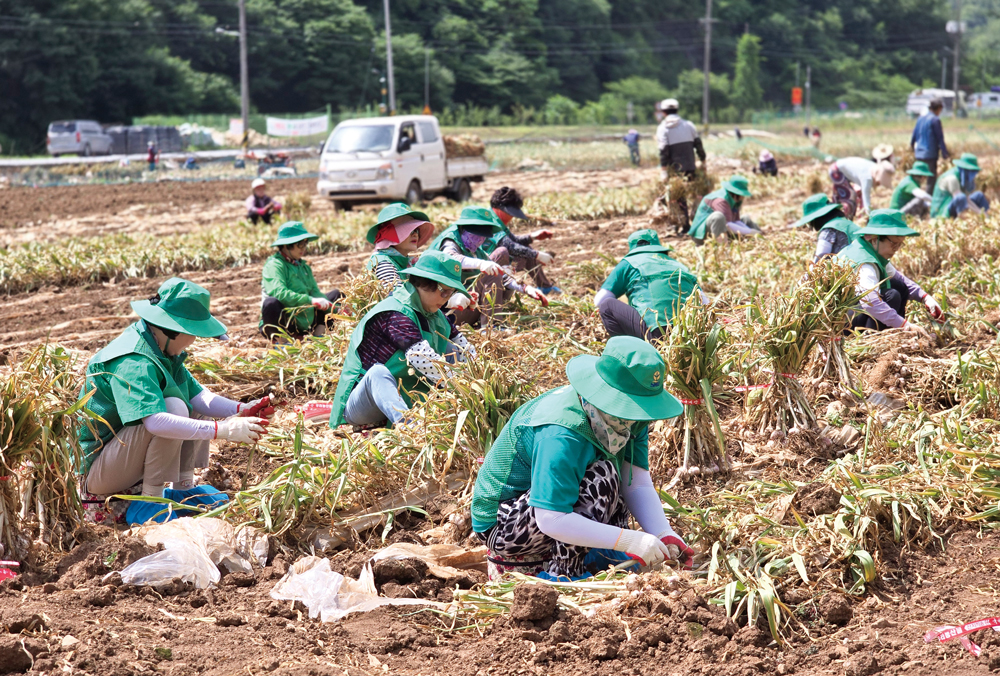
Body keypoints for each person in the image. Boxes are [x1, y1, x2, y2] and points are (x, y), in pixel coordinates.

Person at [471, 336, 694, 581]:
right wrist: (630, 540)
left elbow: (635, 482)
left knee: (613, 475)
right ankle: (564, 573)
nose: (638, 418)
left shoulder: (628, 419)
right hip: (506, 522)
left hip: (549, 509)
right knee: (603, 478)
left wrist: (663, 532)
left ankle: (595, 553)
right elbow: (551, 517)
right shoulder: (562, 433)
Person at [78, 278, 273, 526]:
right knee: (175, 409)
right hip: (100, 477)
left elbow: (199, 397)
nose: (193, 341)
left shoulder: (160, 348)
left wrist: (240, 409)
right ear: (171, 330)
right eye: (191, 334)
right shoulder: (134, 360)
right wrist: (223, 430)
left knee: (187, 406)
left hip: (123, 464)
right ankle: (152, 503)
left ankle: (182, 490)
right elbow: (156, 423)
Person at [328, 251, 476, 430]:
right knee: (377, 373)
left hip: (404, 394)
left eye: (450, 293)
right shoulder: (396, 313)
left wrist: (479, 379)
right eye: (443, 292)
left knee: (452, 353)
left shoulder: (434, 314)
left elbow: (462, 346)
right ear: (424, 284)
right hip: (364, 404)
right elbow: (422, 358)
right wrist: (463, 389)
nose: (446, 299)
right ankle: (409, 428)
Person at [431, 206, 548, 328]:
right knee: (491, 275)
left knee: (497, 275)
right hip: (446, 314)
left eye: (483, 237)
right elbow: (451, 258)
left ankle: (491, 321)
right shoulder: (450, 241)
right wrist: (481, 264)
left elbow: (502, 276)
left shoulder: (477, 252)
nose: (480, 240)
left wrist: (525, 289)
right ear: (463, 229)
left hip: (466, 306)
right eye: (476, 235)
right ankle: (492, 327)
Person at [835, 209, 942, 336]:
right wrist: (905, 325)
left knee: (898, 285)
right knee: (892, 295)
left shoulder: (867, 249)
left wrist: (925, 298)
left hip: (849, 312)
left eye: (900, 245)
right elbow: (870, 303)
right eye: (894, 244)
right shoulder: (865, 264)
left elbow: (899, 278)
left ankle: (894, 332)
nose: (896, 249)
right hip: (842, 322)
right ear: (874, 238)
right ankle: (871, 338)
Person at [594, 229, 701, 342]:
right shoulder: (679, 265)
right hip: (693, 337)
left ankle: (632, 352)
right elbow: (705, 302)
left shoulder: (629, 263)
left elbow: (599, 300)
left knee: (607, 306)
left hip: (657, 336)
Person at [260, 222, 343, 341]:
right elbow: (279, 293)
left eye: (305, 244)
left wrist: (337, 309)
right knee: (271, 303)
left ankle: (317, 338)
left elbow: (315, 293)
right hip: (287, 320)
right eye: (300, 245)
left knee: (336, 296)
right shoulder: (274, 265)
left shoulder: (303, 266)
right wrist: (310, 300)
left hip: (306, 317)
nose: (303, 248)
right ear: (287, 246)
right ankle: (282, 344)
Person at [489, 187, 560, 295]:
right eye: (510, 213)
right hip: (486, 265)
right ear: (500, 208)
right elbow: (509, 246)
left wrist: (532, 237)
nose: (511, 217)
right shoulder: (491, 222)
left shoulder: (495, 219)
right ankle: (542, 287)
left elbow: (513, 240)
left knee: (526, 249)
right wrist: (537, 255)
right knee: (527, 254)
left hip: (492, 261)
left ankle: (545, 287)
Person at [365, 203, 435, 288]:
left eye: (416, 230)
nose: (415, 235)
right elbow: (398, 296)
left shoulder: (407, 261)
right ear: (390, 235)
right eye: (409, 230)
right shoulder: (383, 264)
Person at [689, 175, 762, 243]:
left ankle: (760, 239)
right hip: (702, 236)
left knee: (745, 218)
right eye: (742, 194)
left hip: (720, 229)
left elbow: (736, 221)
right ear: (737, 193)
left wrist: (752, 232)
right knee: (718, 216)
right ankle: (723, 247)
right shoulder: (721, 200)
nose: (743, 197)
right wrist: (749, 231)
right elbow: (728, 225)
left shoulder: (734, 200)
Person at [792, 194, 859, 262]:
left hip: (851, 268)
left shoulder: (828, 230)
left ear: (816, 218)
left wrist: (809, 271)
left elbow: (820, 258)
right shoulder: (846, 223)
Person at [655, 98, 706, 181]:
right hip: (690, 169)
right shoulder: (689, 125)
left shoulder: (662, 128)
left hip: (673, 173)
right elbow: (698, 145)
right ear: (677, 110)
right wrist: (703, 163)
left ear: (663, 112)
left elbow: (663, 151)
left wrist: (663, 171)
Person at [827, 157, 894, 219]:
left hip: (841, 171)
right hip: (836, 171)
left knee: (857, 194)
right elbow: (866, 202)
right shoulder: (867, 179)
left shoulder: (873, 167)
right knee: (850, 199)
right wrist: (869, 217)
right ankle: (842, 218)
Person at [930, 153, 990, 218]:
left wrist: (982, 212)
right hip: (941, 211)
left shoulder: (962, 178)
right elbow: (961, 199)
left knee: (979, 195)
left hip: (955, 203)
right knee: (961, 197)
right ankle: (962, 219)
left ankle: (988, 216)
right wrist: (979, 212)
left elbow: (967, 199)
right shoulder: (952, 178)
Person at [910, 98, 950, 193]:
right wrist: (945, 153)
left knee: (917, 176)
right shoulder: (935, 120)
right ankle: (927, 200)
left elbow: (914, 135)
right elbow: (940, 138)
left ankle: (914, 195)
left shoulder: (920, 119)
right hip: (930, 154)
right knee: (931, 178)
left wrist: (912, 147)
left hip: (919, 152)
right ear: (939, 108)